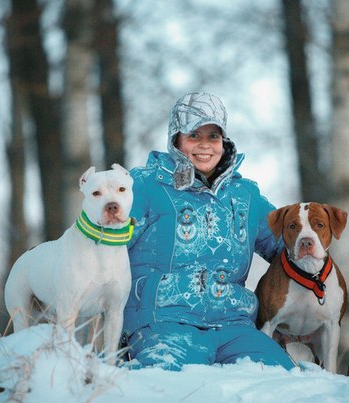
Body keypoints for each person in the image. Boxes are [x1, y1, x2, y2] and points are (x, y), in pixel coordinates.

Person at [122, 91, 295, 371]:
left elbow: (292, 249)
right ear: (175, 139)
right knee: (175, 386)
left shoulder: (246, 196)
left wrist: (301, 310)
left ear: (224, 141)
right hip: (161, 325)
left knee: (282, 378)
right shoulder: (143, 186)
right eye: (194, 136)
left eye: (213, 136)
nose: (205, 145)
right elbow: (104, 248)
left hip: (233, 327)